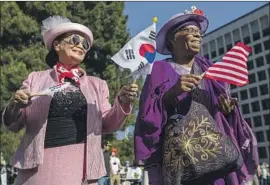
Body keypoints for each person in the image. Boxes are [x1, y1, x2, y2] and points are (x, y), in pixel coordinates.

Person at [2, 15, 139, 185]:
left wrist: (122, 102)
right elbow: (14, 124)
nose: (81, 45)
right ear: (57, 45)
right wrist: (15, 105)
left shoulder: (98, 85)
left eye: (85, 44)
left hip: (81, 168)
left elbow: (108, 123)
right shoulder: (35, 79)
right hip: (37, 171)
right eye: (75, 39)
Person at [134, 6, 259, 185]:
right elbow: (147, 115)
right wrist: (171, 94)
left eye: (198, 32)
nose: (197, 35)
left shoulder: (209, 69)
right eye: (189, 31)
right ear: (172, 39)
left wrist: (227, 110)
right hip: (181, 161)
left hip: (215, 161)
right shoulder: (159, 70)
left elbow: (221, 118)